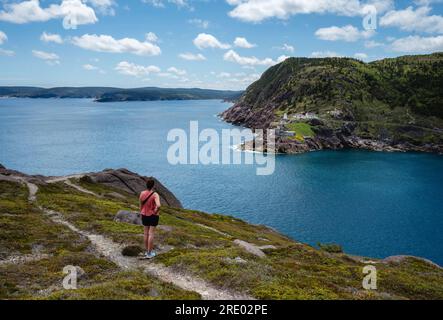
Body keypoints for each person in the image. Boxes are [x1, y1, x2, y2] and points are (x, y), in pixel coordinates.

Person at [139, 179, 161, 259]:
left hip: (144, 214)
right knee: (151, 233)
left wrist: (141, 213)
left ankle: (146, 252)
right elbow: (158, 205)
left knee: (145, 233)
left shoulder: (142, 193)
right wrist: (155, 211)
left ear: (146, 185)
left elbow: (140, 205)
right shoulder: (155, 194)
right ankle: (149, 253)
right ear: (153, 186)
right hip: (153, 216)